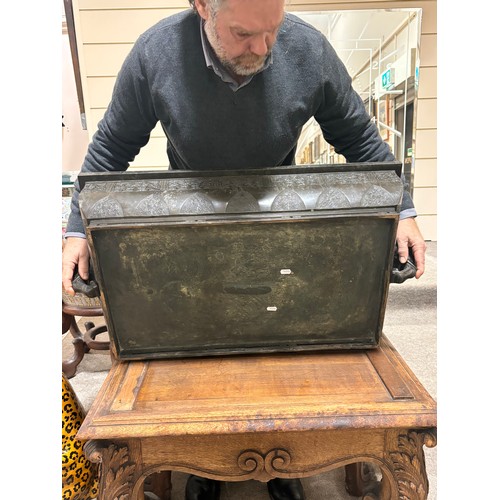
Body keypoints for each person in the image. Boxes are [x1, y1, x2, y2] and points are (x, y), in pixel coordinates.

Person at [62, 0, 427, 498]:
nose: (262, 49)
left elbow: (363, 142)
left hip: (277, 217)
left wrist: (404, 212)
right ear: (202, 7)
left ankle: (281, 462)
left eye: (271, 31)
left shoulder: (308, 50)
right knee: (201, 349)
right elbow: (108, 153)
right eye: (243, 34)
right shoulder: (156, 53)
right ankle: (205, 466)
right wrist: (76, 231)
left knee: (280, 345)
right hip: (191, 225)